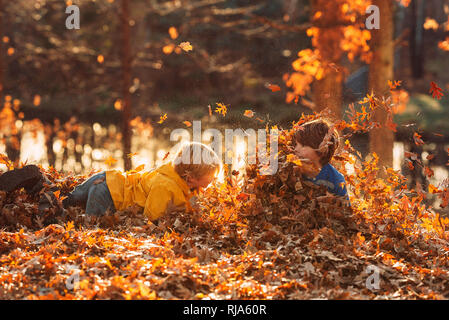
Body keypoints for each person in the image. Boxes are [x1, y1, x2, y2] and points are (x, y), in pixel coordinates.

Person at [0, 142, 222, 222]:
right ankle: (35, 215)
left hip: (107, 178)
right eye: (210, 176)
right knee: (75, 222)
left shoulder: (170, 173)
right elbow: (153, 219)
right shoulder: (166, 187)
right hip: (107, 194)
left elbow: (186, 194)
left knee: (66, 200)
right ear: (191, 177)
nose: (213, 180)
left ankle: (37, 180)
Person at [291, 118, 348, 198]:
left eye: (303, 145)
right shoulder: (292, 170)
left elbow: (345, 208)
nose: (296, 149)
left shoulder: (335, 179)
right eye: (296, 144)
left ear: (322, 151)